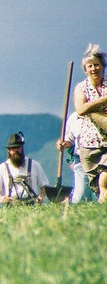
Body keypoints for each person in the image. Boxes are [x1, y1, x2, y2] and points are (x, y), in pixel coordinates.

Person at [73, 44, 107, 202]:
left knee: (104, 181)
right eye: (90, 66)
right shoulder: (81, 88)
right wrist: (103, 101)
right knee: (98, 188)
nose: (94, 69)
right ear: (85, 69)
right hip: (89, 145)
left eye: (96, 65)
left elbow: (85, 107)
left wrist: (90, 106)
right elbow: (80, 109)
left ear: (103, 66)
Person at [0, 132, 49, 205]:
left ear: (22, 148)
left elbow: (45, 186)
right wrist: (1, 198)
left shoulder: (34, 165)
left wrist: (41, 197)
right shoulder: (2, 168)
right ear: (9, 150)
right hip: (12, 207)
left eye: (18, 147)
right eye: (13, 148)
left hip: (33, 206)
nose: (16, 150)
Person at [56, 112, 96, 203]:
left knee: (101, 191)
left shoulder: (101, 114)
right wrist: (63, 144)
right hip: (80, 159)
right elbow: (70, 139)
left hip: (100, 157)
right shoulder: (74, 118)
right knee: (80, 196)